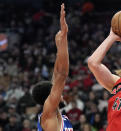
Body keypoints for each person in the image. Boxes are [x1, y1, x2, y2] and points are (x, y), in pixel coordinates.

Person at [31, 3, 73, 131]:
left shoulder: (55, 113)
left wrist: (59, 47)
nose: (60, 92)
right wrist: (64, 37)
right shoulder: (48, 113)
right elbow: (62, 74)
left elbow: (57, 72)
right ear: (49, 96)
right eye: (55, 90)